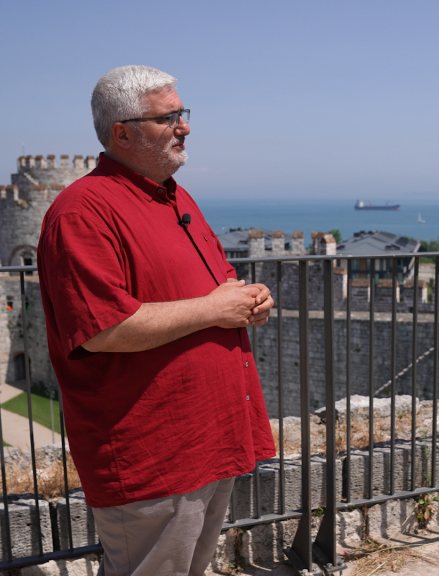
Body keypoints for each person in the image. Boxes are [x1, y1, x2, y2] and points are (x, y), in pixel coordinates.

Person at [37, 65, 276, 576]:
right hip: (154, 451)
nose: (184, 127)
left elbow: (216, 284)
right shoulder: (83, 212)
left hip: (209, 439)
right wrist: (216, 309)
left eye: (182, 113)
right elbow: (103, 329)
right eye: (167, 117)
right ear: (121, 132)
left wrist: (248, 298)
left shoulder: (174, 196)